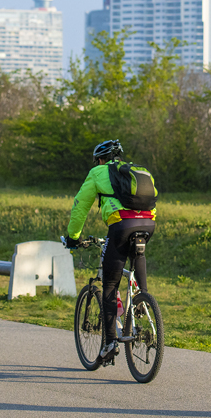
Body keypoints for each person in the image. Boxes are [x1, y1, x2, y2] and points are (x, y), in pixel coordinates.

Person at [61, 139, 156, 363]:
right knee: (138, 254)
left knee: (110, 285)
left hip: (121, 226)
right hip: (148, 225)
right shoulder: (138, 171)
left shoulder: (97, 173)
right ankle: (143, 298)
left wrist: (73, 237)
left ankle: (110, 342)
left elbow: (80, 206)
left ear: (101, 160)